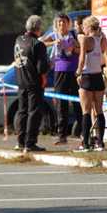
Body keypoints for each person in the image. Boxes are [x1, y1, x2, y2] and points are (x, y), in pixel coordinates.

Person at [39, 13, 81, 144]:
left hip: (73, 72)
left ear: (68, 23)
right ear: (56, 25)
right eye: (59, 23)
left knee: (77, 102)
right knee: (61, 104)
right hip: (59, 72)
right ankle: (62, 135)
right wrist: (53, 42)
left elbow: (82, 50)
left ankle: (83, 133)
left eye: (64, 22)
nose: (62, 25)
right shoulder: (54, 35)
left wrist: (73, 48)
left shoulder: (74, 35)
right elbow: (40, 43)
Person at [75, 16, 107, 152]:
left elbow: (82, 57)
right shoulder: (102, 39)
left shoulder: (86, 39)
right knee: (99, 111)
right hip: (98, 77)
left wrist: (78, 71)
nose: (83, 29)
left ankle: (85, 144)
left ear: (89, 28)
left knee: (86, 111)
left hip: (87, 76)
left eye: (84, 26)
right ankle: (100, 143)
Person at [14, 15, 49, 153]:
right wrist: (49, 64)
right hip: (34, 82)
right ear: (38, 28)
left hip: (20, 80)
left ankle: (20, 142)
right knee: (34, 112)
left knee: (22, 111)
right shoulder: (38, 44)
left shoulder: (18, 40)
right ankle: (30, 143)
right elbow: (42, 68)